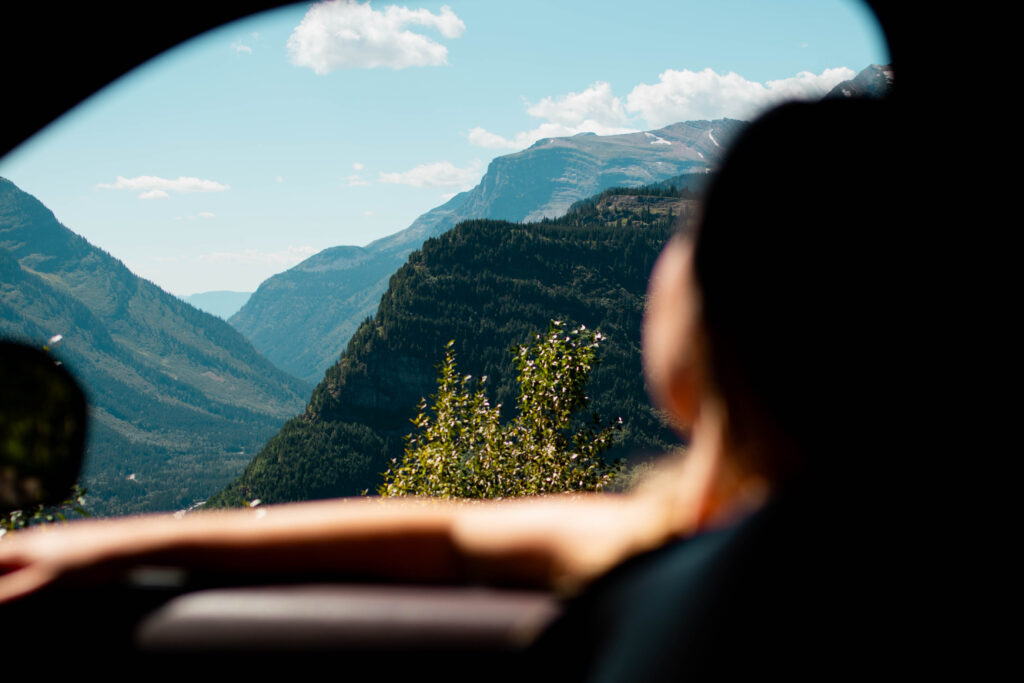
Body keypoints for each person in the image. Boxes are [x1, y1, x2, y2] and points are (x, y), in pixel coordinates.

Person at [0, 98, 908, 673]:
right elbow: (453, 530)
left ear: (736, 305)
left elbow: (459, 534)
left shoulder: (709, 549)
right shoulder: (685, 523)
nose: (667, 247)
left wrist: (106, 553)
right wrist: (103, 550)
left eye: (700, 227)